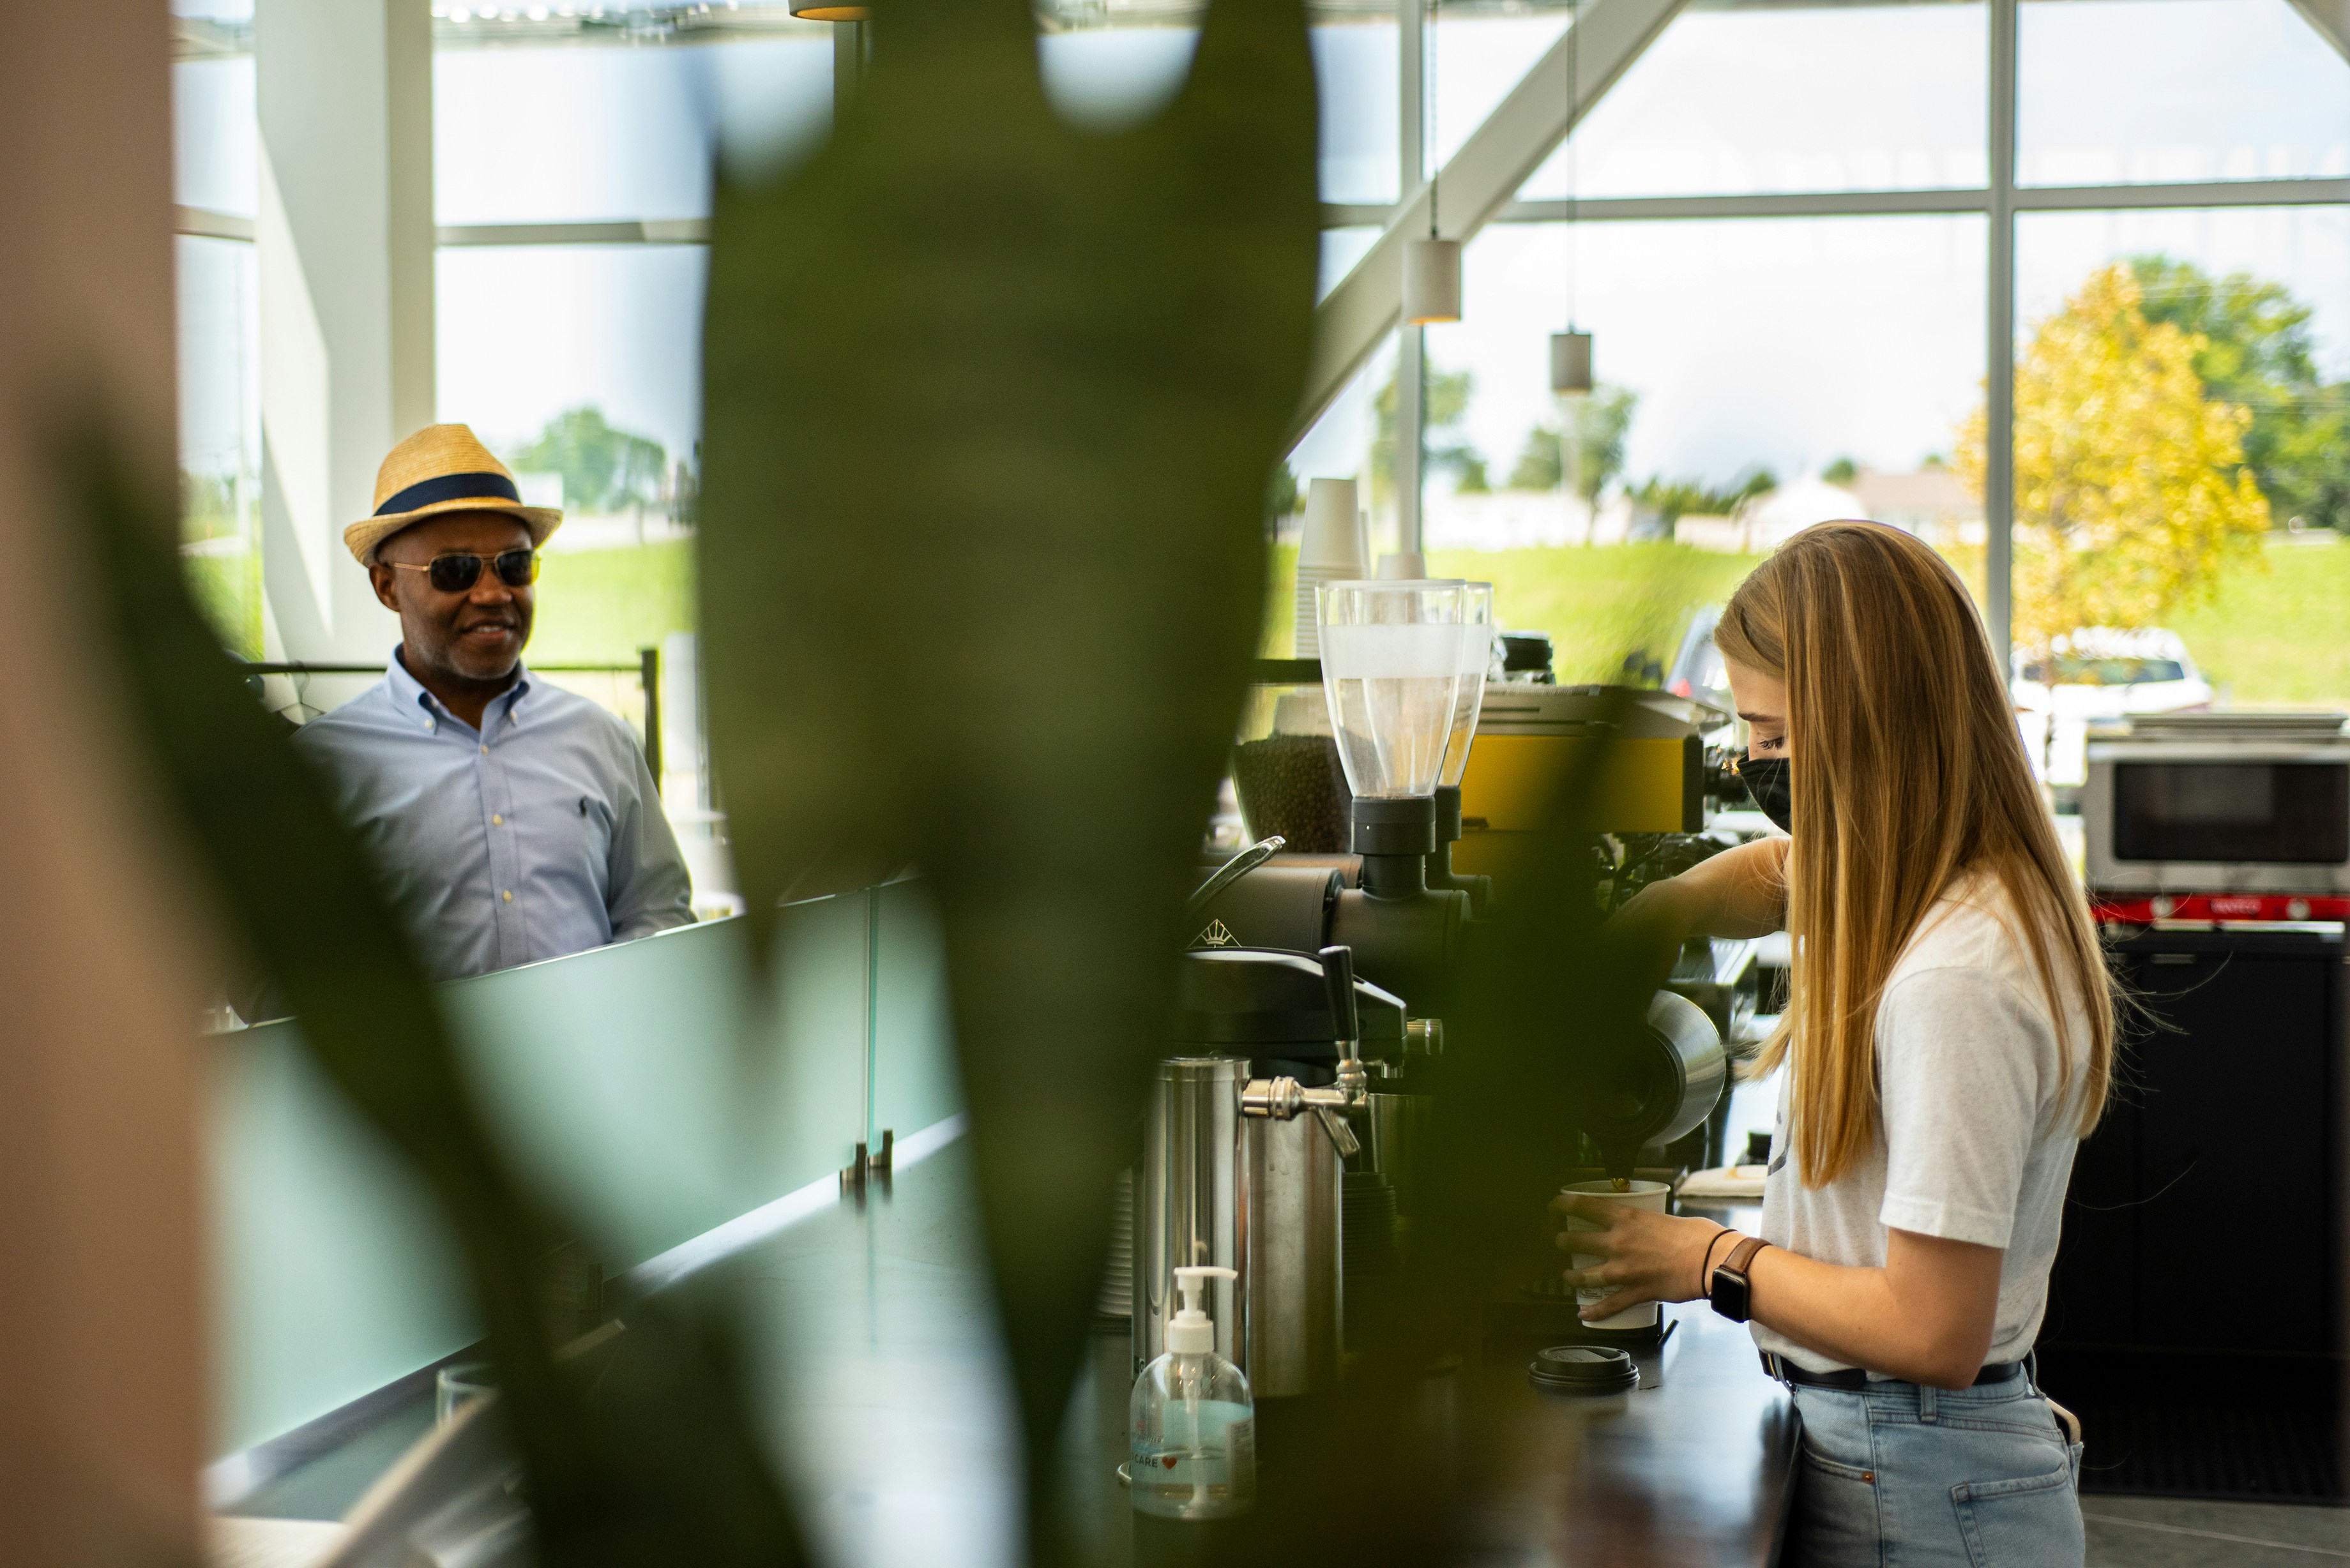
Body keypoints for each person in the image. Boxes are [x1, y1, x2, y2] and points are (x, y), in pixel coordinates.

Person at [1558, 522, 2112, 1567]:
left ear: (1869, 726)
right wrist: (1661, 911)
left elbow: (1933, 1327)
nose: (1755, 765)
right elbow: (1780, 868)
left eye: (1771, 737)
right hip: (1898, 1452)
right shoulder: (1940, 875)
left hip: (1921, 1475)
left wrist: (1699, 1258)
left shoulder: (1955, 975)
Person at [293, 424, 695, 981]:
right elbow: (268, 974)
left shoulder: (599, 739)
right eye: (454, 570)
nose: (492, 593)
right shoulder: (321, 769)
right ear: (386, 586)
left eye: (514, 566)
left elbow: (658, 913)